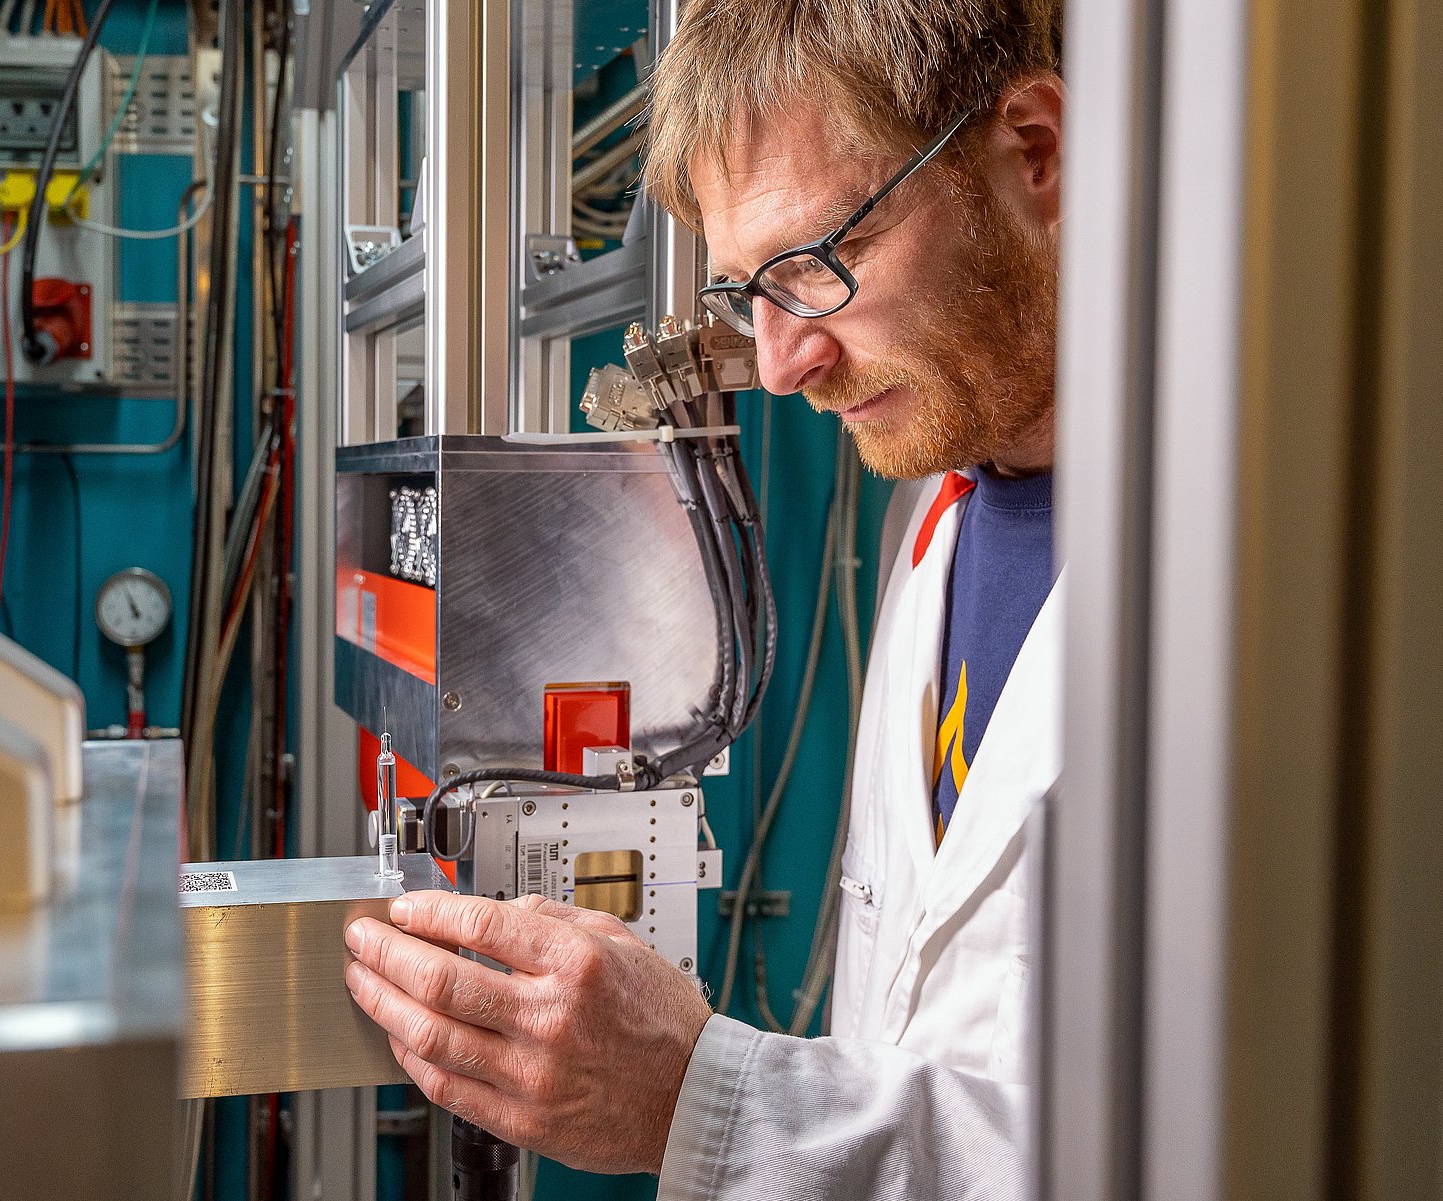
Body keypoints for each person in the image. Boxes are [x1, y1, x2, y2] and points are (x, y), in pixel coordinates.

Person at [344, 1, 1063, 1194]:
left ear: (1033, 151)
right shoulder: (930, 518)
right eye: (747, 295)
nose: (780, 365)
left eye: (818, 266)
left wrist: (709, 1101)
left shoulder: (1283, 595)